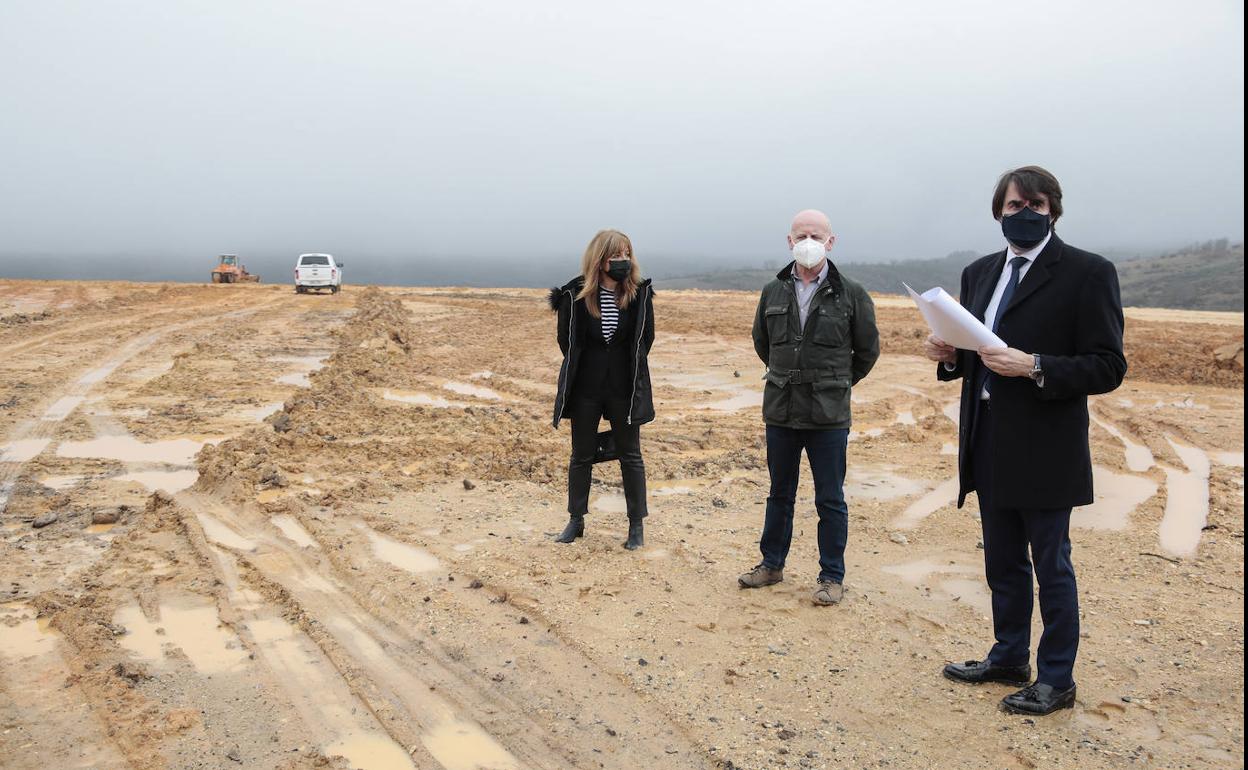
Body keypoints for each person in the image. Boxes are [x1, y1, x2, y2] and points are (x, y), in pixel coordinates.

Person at [924, 166, 1126, 716]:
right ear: (998, 213)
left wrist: (1034, 365)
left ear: (1053, 210)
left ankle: (1056, 678)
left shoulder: (1088, 273)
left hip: (1046, 445)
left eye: (1035, 205)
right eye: (1014, 206)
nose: (1025, 214)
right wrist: (950, 357)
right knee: (1002, 561)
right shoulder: (980, 272)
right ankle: (1009, 655)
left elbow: (1108, 366)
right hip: (987, 439)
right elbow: (976, 352)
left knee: (1050, 565)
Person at [738, 209, 879, 604]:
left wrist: (835, 384)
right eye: (801, 234)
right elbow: (762, 343)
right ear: (789, 241)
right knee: (779, 493)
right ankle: (771, 565)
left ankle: (831, 576)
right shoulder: (773, 291)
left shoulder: (851, 292)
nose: (808, 241)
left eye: (816, 235)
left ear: (831, 242)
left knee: (829, 498)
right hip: (781, 409)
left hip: (828, 416)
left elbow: (867, 352)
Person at [548, 229, 655, 550]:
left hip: (624, 387)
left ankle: (636, 526)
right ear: (599, 259)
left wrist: (625, 371)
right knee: (581, 455)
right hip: (586, 388)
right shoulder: (576, 295)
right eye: (615, 256)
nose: (622, 261)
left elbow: (645, 340)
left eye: (626, 254)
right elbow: (566, 342)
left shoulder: (639, 294)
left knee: (630, 455)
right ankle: (575, 519)